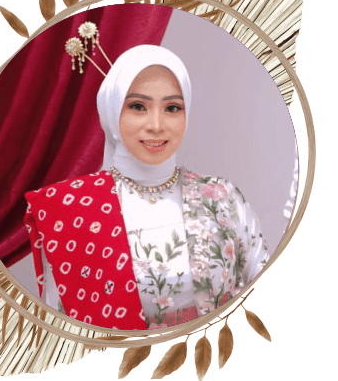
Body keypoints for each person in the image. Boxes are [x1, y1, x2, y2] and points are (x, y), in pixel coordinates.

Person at [23, 44, 269, 330]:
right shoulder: (70, 211)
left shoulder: (222, 198)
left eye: (172, 108)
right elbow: (61, 328)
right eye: (138, 106)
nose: (156, 125)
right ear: (112, 111)